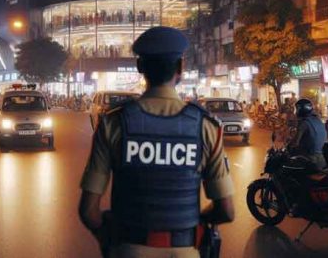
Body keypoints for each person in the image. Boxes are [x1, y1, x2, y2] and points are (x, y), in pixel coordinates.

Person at [78, 27, 234, 258]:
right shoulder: (206, 127)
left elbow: (88, 211)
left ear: (140, 67)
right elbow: (226, 212)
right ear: (181, 67)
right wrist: (192, 223)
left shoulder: (114, 123)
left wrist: (110, 240)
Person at [288, 98, 327, 169]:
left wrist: (289, 144)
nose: (296, 112)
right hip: (322, 159)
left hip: (310, 159)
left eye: (296, 109)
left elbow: (295, 143)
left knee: (288, 168)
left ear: (300, 110)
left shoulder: (304, 123)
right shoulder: (318, 120)